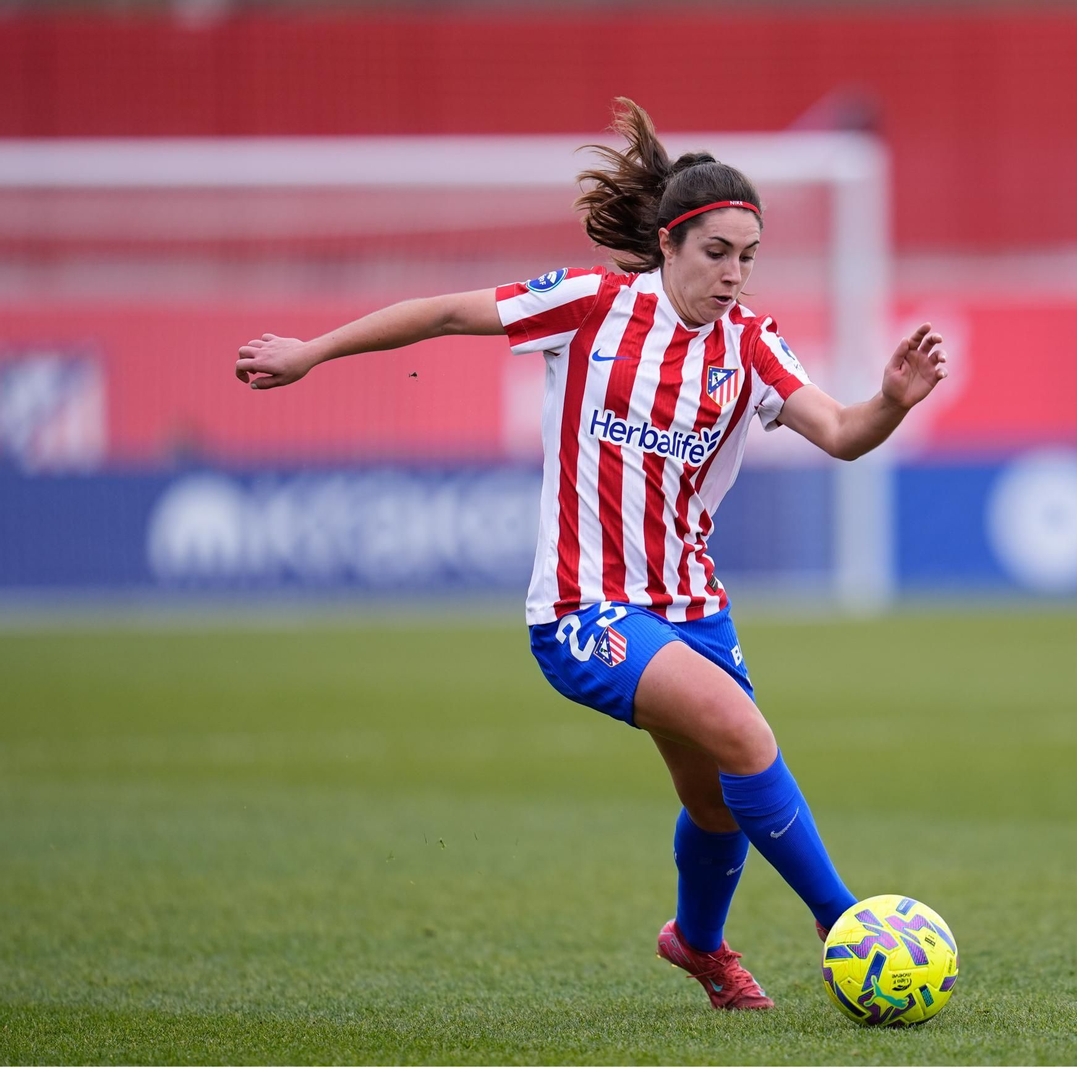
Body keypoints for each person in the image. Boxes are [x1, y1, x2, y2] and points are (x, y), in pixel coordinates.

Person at [234, 98, 949, 1011]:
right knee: (745, 735)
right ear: (669, 245)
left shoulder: (751, 345)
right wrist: (311, 351)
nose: (734, 274)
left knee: (717, 801)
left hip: (694, 607)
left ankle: (697, 943)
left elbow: (843, 433)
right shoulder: (591, 306)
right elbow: (446, 312)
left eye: (749, 256)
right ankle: (846, 923)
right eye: (716, 252)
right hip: (584, 609)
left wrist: (891, 402)